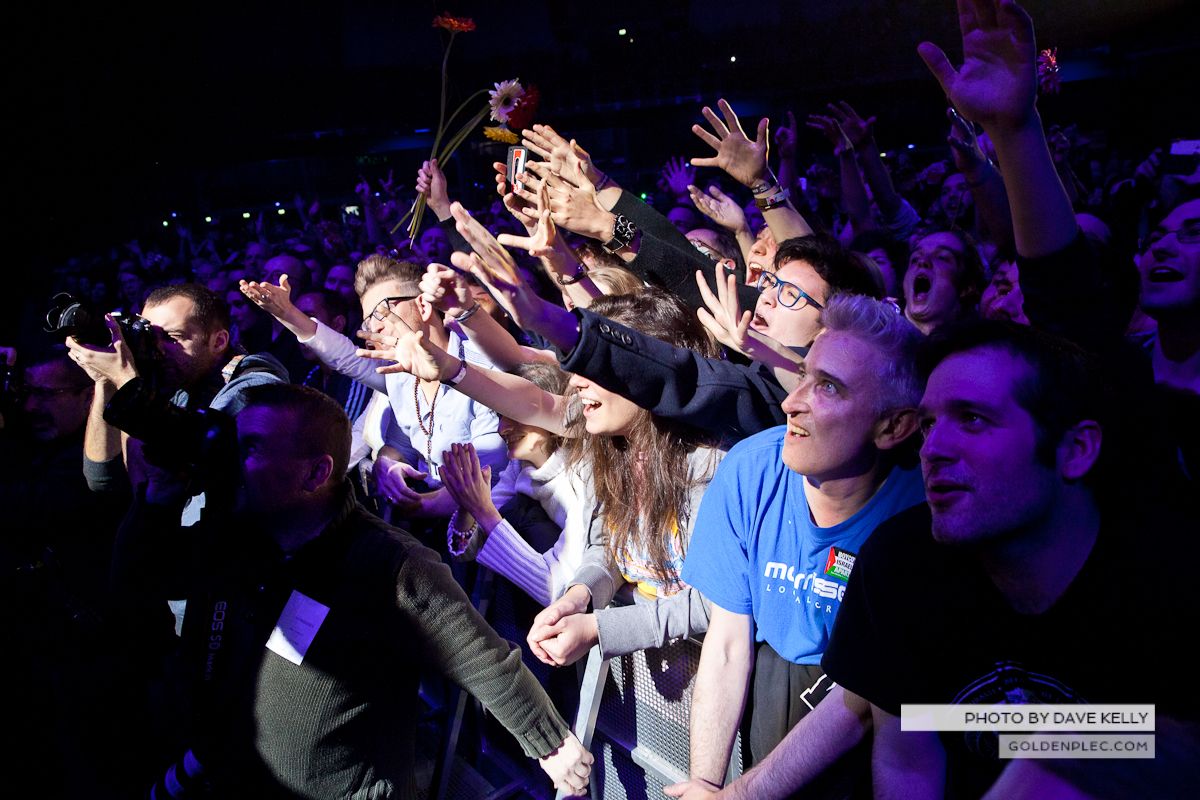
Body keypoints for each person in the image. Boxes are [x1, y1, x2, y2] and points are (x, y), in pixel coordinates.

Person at [109, 382, 592, 798]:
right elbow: (139, 582)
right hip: (235, 777)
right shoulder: (239, 537)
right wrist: (154, 505)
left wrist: (552, 747)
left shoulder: (386, 562)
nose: (232, 464)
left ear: (316, 473)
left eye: (251, 449)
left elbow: (481, 657)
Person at [822, 319, 1198, 799]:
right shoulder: (900, 565)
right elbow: (908, 763)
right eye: (930, 424)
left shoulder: (1174, 582)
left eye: (973, 419)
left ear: (1076, 450)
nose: (933, 449)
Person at [665, 295, 926, 797]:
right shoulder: (750, 469)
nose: (791, 402)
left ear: (894, 426)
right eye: (803, 374)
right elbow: (725, 646)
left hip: (876, 722)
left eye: (827, 387)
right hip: (776, 696)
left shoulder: (920, 515)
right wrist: (704, 783)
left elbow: (869, 705)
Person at [240, 254, 510, 519]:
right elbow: (398, 442)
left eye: (382, 310)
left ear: (424, 307)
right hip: (431, 524)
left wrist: (420, 506)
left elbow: (490, 470)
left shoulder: (479, 366)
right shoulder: (399, 375)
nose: (375, 327)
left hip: (494, 525)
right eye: (369, 320)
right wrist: (388, 464)